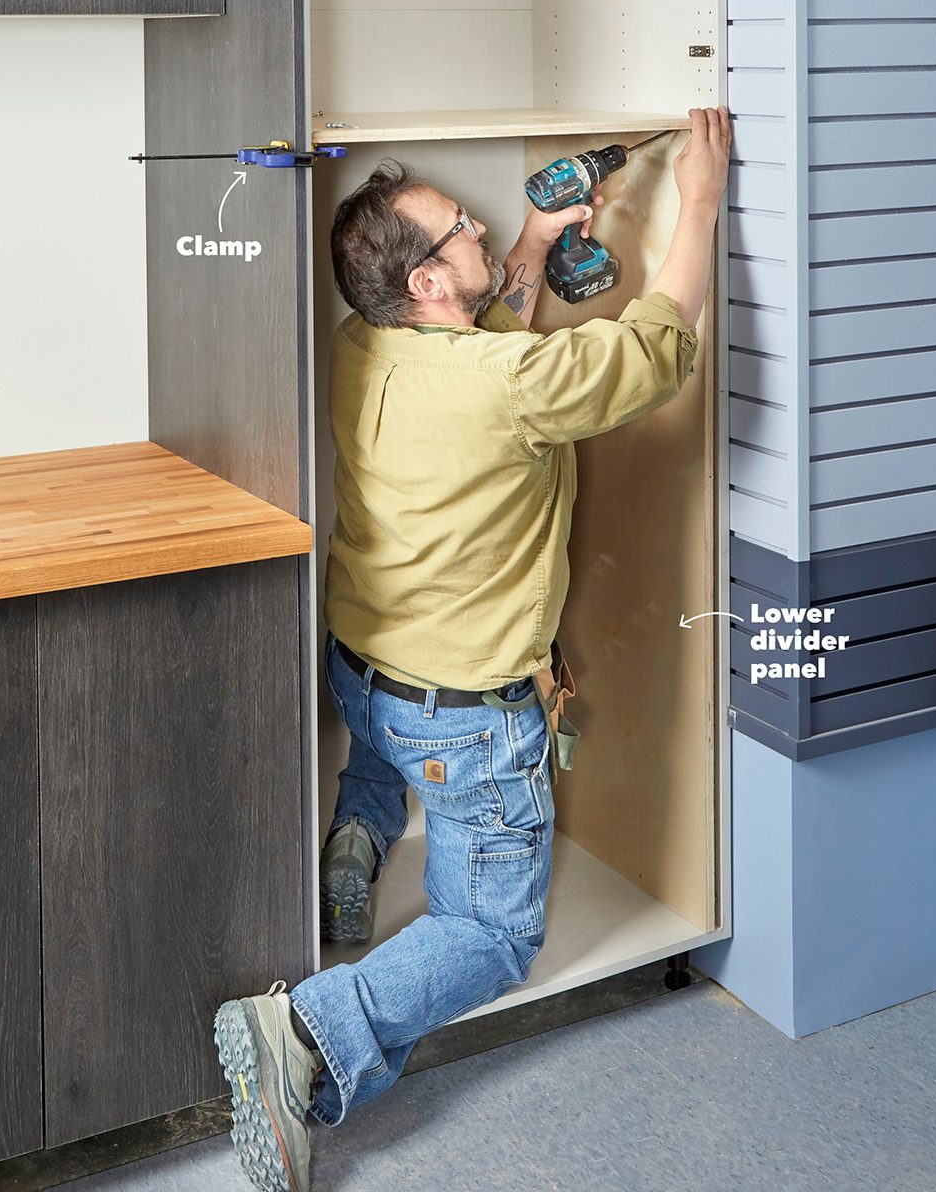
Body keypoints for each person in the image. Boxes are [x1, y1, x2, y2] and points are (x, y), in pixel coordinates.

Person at [214, 105, 731, 1192]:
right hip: (465, 711)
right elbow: (657, 345)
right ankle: (309, 1028)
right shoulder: (506, 385)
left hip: (364, 667)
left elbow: (487, 349)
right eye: (465, 230)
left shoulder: (366, 345)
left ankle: (356, 844)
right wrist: (701, 205)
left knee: (382, 761)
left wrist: (536, 253)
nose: (486, 231)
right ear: (429, 286)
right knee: (493, 934)